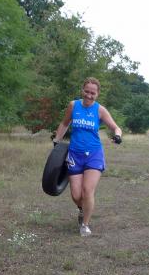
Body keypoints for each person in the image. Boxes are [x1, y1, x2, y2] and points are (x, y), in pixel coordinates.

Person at [52, 77, 122, 237]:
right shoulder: (73, 105)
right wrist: (57, 140)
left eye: (93, 93)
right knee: (76, 195)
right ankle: (82, 209)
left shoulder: (100, 110)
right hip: (74, 154)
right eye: (87, 91)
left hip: (94, 154)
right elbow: (64, 123)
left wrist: (118, 136)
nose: (89, 95)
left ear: (97, 94)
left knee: (87, 190)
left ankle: (85, 225)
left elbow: (116, 127)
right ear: (82, 90)